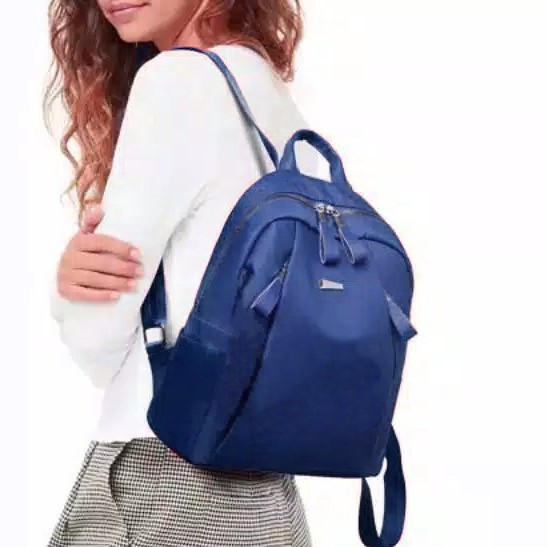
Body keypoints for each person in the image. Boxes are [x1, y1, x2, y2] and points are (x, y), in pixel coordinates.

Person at [45, 1, 319, 545]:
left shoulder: (174, 82)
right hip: (269, 497)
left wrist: (68, 290)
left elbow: (97, 340)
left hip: (165, 481)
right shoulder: (266, 90)